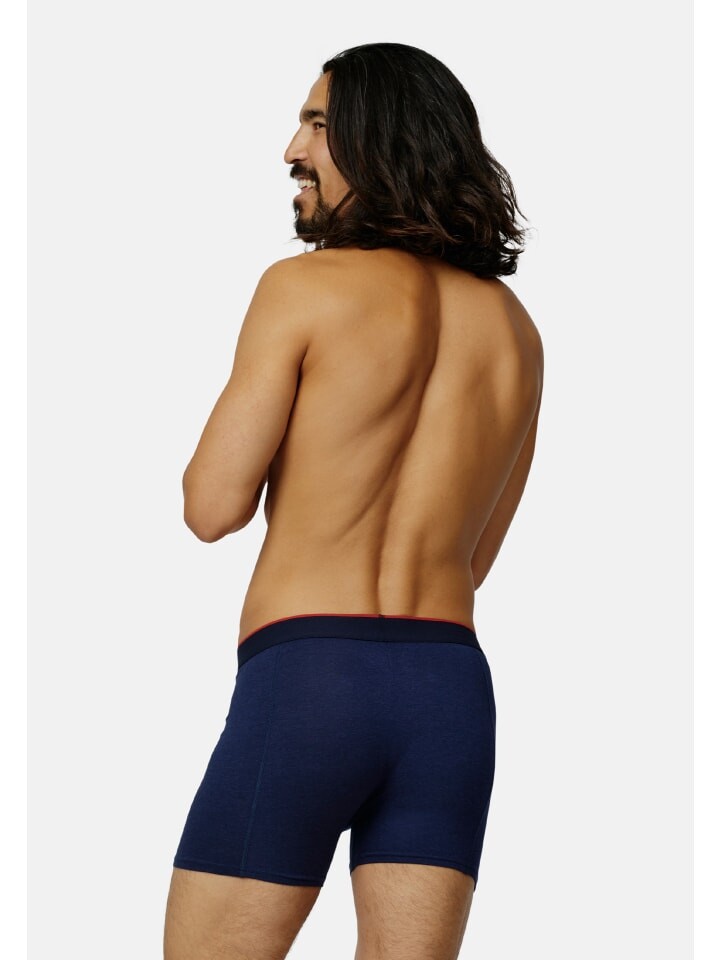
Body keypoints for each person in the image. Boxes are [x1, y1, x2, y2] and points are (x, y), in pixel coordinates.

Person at [163, 41, 543, 960]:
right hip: (449, 693)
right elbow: (474, 559)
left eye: (317, 125)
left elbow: (212, 507)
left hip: (310, 679)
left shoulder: (302, 289)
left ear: (381, 141)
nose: (292, 150)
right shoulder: (515, 331)